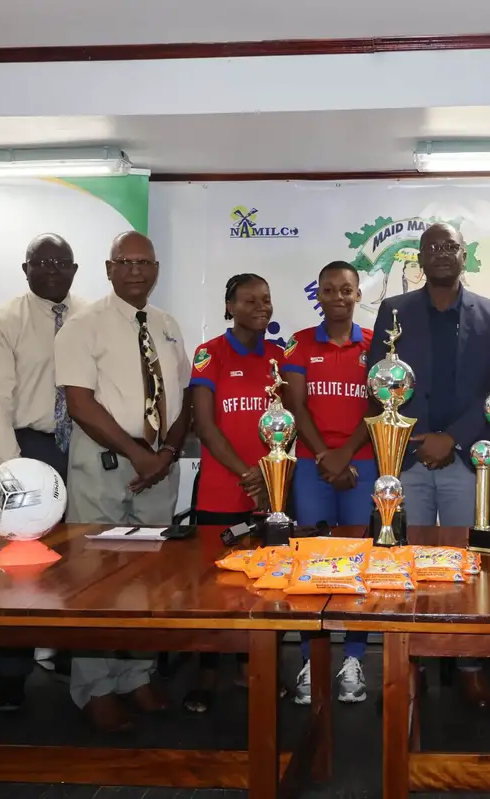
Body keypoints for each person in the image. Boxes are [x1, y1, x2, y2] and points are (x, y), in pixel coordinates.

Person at [367, 222, 490, 710]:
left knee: (468, 567)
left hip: (467, 461)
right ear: (419, 259)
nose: (442, 254)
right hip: (406, 457)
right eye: (432, 247)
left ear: (464, 255)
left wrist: (455, 438)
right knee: (405, 565)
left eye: (451, 246)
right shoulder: (394, 311)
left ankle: (469, 665)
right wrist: (422, 438)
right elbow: (379, 382)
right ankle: (410, 668)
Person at [53, 231, 189, 732]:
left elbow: (180, 398)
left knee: (148, 578)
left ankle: (136, 674)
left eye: (144, 262)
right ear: (109, 270)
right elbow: (80, 404)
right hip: (106, 460)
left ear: (155, 269)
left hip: (159, 462)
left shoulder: (168, 325)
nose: (136, 270)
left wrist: (166, 453)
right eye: (125, 262)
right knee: (96, 577)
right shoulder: (81, 326)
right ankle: (95, 687)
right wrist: (137, 455)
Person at [0, 233, 87, 711]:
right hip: (25, 449)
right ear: (26, 269)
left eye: (62, 262)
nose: (54, 270)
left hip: (82, 446)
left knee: (81, 562)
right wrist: (12, 470)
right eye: (43, 262)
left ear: (76, 269)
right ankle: (11, 674)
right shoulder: (1, 323)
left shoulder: (93, 315)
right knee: (20, 570)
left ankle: (70, 656)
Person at [187, 273, 285, 714]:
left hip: (271, 494)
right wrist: (249, 474)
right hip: (221, 493)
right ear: (229, 307)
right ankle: (207, 676)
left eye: (265, 300)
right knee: (215, 588)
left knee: (264, 584)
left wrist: (269, 478)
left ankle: (256, 669)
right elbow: (205, 426)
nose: (260, 307)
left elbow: (289, 427)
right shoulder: (210, 355)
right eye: (249, 300)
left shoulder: (281, 358)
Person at [281, 261, 375, 705]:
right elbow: (296, 407)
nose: (338, 297)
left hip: (363, 466)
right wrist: (324, 456)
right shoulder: (299, 344)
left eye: (346, 290)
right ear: (317, 294)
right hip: (312, 466)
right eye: (329, 290)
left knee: (357, 563)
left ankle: (353, 658)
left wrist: (344, 456)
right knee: (312, 563)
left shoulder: (376, 346)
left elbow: (378, 405)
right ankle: (309, 659)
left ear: (358, 294)